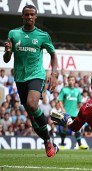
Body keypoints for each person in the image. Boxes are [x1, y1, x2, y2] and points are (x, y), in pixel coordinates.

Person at [3, 5, 59, 157]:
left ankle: (48, 142)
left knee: (32, 104)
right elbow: (7, 59)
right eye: (26, 15)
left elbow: (53, 55)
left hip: (36, 75)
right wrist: (7, 51)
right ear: (22, 16)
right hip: (20, 77)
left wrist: (54, 74)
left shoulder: (42, 35)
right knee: (31, 115)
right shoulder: (13, 34)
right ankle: (49, 141)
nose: (28, 17)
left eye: (31, 15)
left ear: (36, 17)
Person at [58, 75, 88, 150]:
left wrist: (82, 110)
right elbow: (60, 100)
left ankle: (80, 144)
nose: (71, 81)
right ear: (68, 81)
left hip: (75, 113)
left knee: (77, 128)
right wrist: (62, 108)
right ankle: (62, 144)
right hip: (66, 113)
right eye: (70, 80)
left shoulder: (77, 91)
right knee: (65, 128)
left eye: (73, 80)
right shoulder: (64, 90)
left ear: (74, 81)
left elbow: (79, 102)